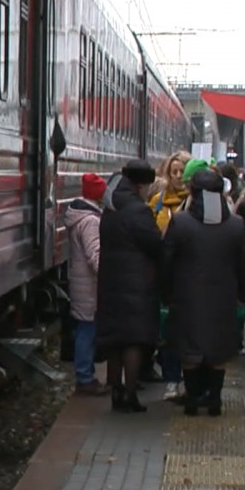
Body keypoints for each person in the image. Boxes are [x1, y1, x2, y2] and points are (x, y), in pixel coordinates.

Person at [162, 169, 245, 416]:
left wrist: (166, 293)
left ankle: (192, 398)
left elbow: (166, 260)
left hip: (186, 296)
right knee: (218, 348)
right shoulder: (235, 225)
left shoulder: (180, 222)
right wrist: (241, 293)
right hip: (223, 296)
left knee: (190, 349)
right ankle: (214, 399)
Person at [96, 159, 162, 412]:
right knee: (133, 340)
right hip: (136, 284)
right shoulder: (138, 210)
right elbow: (154, 243)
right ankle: (130, 394)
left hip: (111, 281)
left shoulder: (111, 207)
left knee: (115, 340)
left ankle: (116, 392)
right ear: (141, 184)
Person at [65, 173, 108, 394]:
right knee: (87, 330)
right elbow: (96, 256)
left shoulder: (82, 216)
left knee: (85, 329)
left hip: (83, 284)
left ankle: (86, 374)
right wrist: (109, 275)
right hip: (89, 287)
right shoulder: (90, 221)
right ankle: (85, 378)